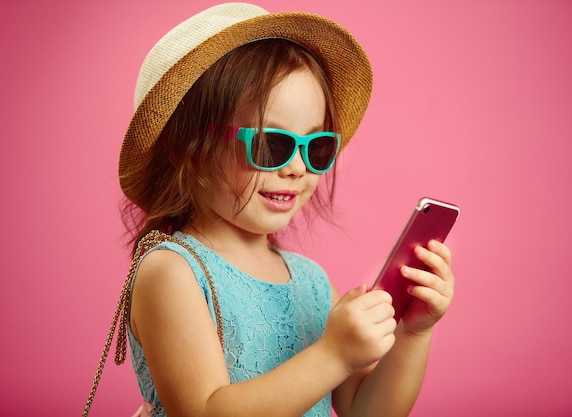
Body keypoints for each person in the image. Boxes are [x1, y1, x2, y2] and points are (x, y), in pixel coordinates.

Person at [113, 3, 456, 417]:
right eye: (268, 145)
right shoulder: (171, 271)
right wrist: (332, 355)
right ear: (189, 149)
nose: (297, 168)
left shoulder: (311, 282)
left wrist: (413, 333)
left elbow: (366, 411)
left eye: (317, 146)